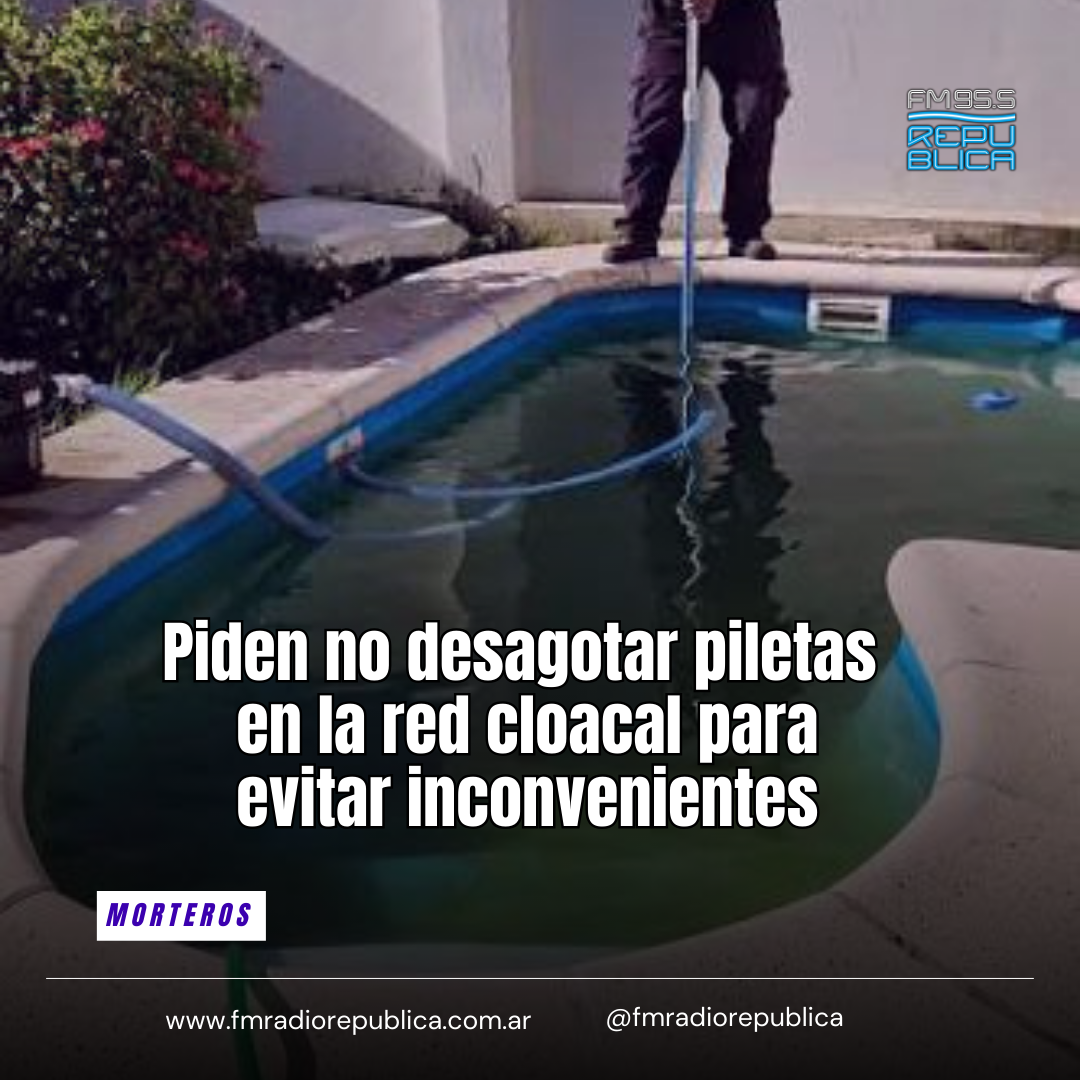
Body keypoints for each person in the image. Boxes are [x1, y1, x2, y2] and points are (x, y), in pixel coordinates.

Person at [603, 0, 790, 263]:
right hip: (670, 18)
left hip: (746, 17)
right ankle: (639, 231)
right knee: (654, 118)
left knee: (753, 119)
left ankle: (745, 230)